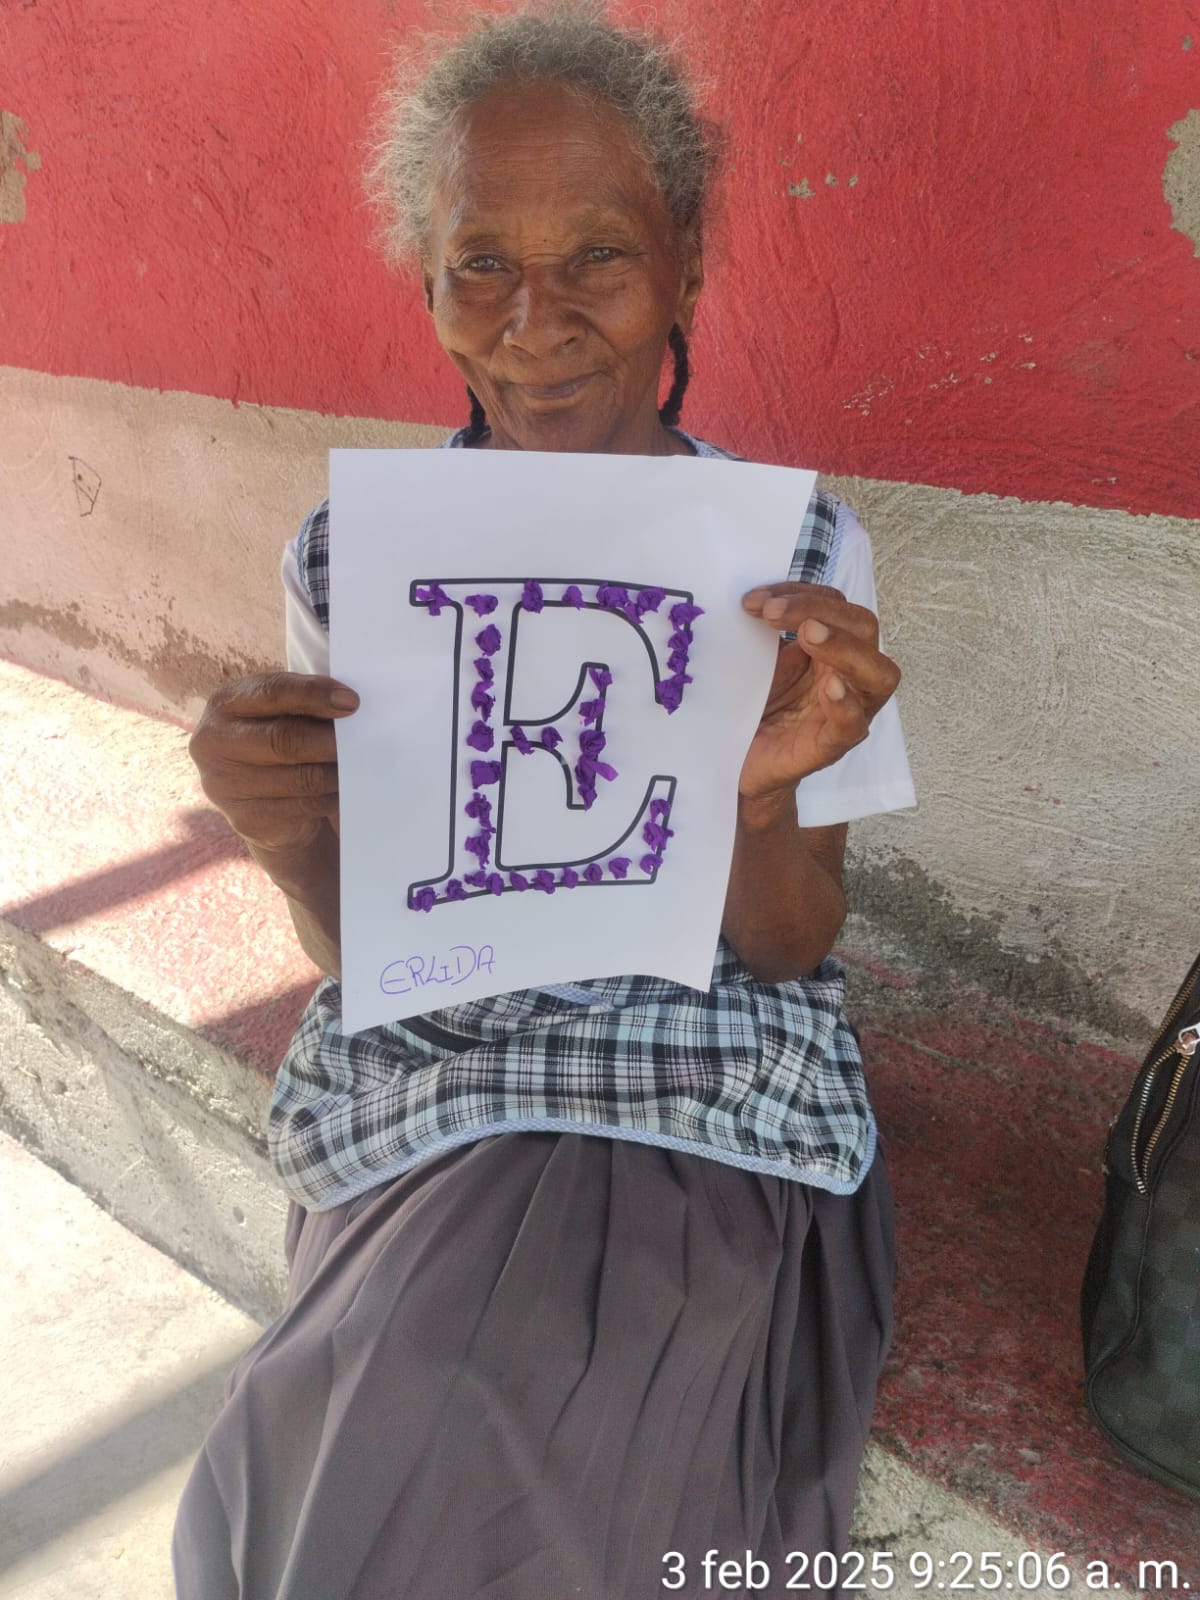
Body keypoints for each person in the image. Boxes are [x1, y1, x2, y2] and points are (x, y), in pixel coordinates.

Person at [175, 5, 915, 1597]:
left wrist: (754, 802)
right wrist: (286, 833)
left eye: (599, 257)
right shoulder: (355, 562)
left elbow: (789, 948)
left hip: (695, 1085)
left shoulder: (791, 557)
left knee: (509, 1442)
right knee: (357, 1425)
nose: (537, 322)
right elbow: (363, 951)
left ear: (687, 267)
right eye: (481, 265)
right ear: (427, 286)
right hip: (439, 1087)